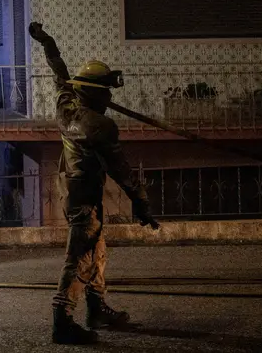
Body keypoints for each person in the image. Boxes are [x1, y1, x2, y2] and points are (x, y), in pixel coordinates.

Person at [28, 22, 159, 345]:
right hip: (84, 196)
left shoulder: (66, 107)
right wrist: (141, 203)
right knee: (81, 255)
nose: (110, 96)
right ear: (97, 92)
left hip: (71, 190)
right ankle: (63, 319)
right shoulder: (100, 125)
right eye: (106, 90)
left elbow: (59, 73)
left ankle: (97, 307)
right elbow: (122, 171)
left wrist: (48, 42)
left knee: (96, 250)